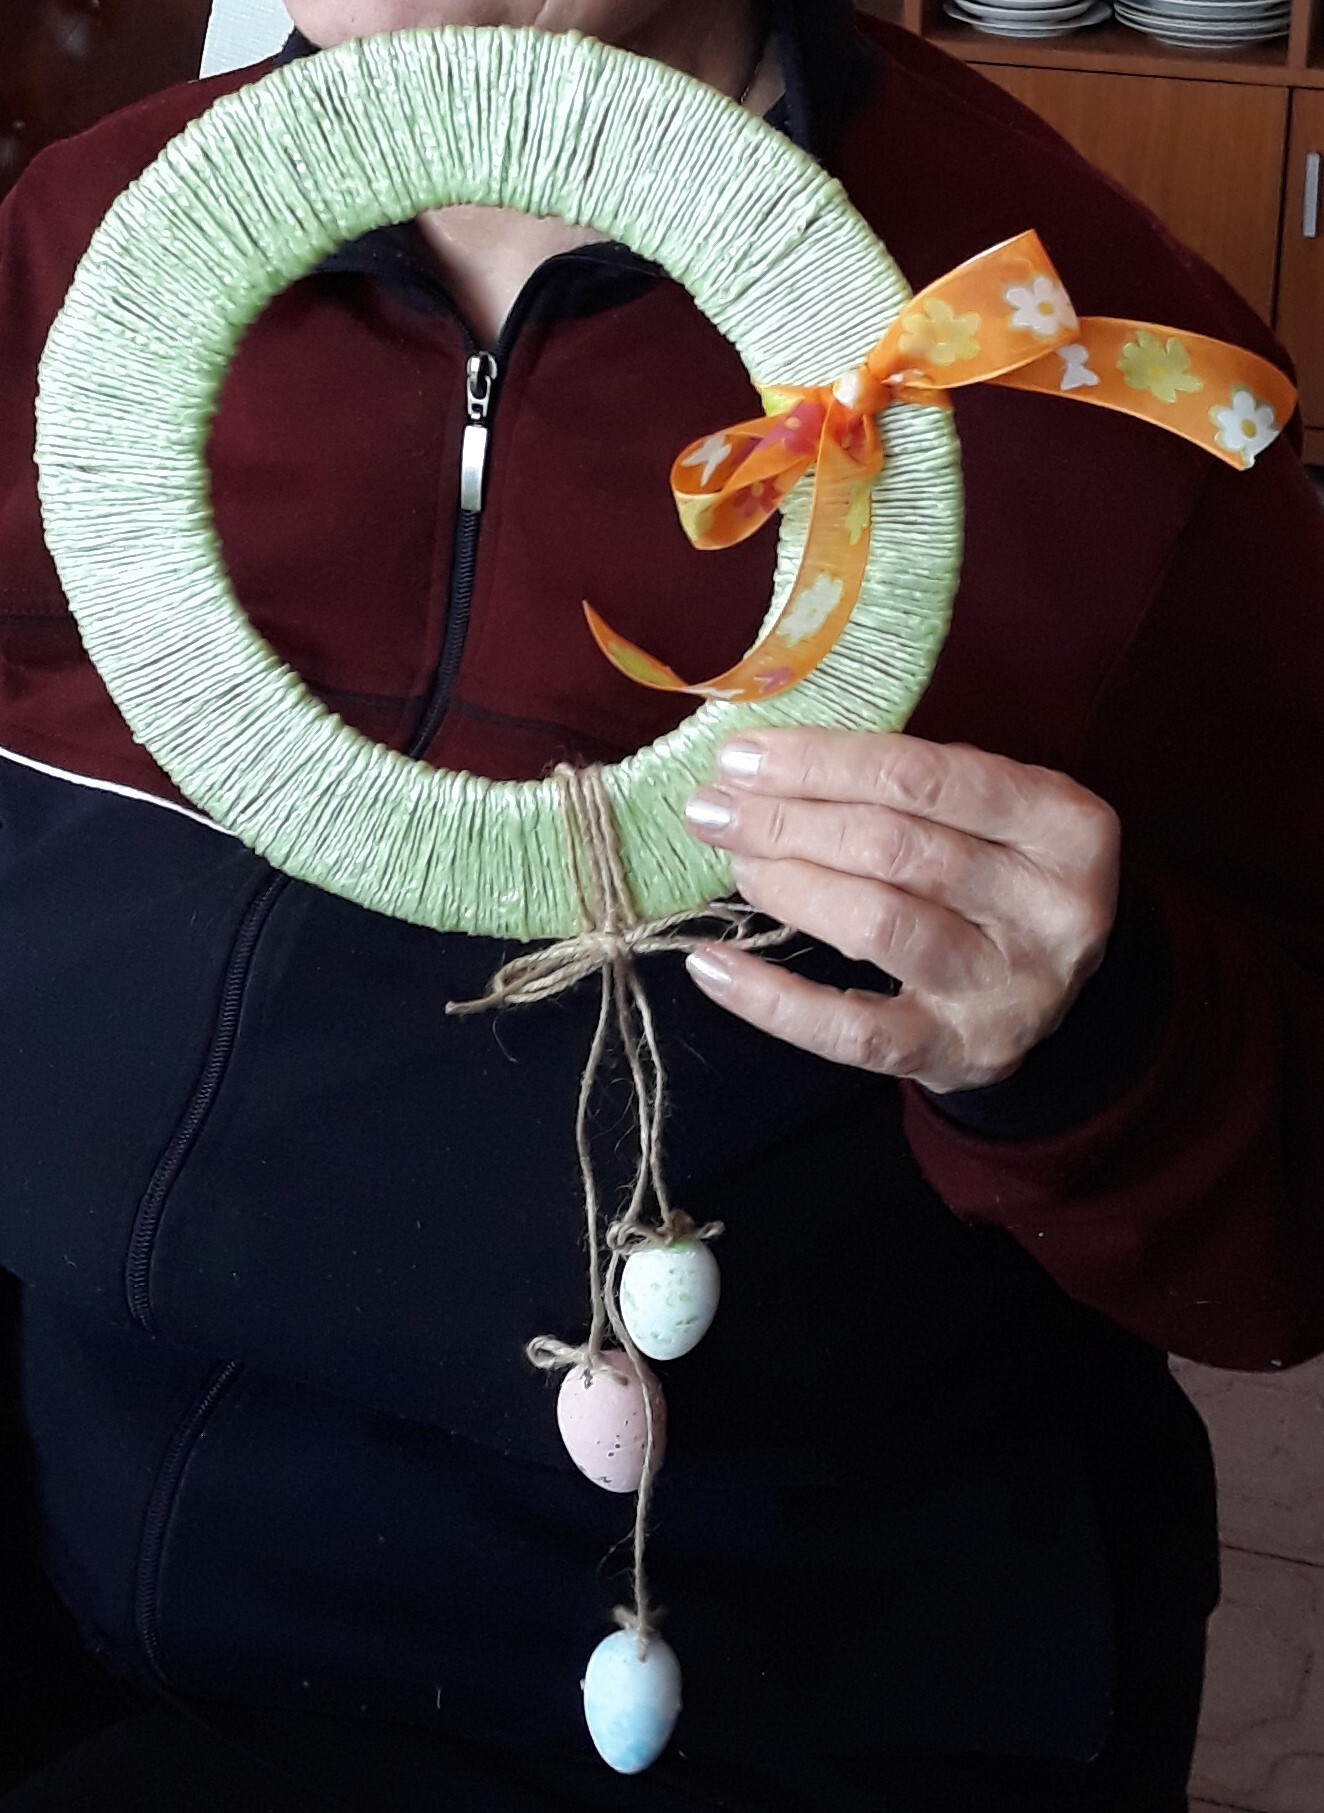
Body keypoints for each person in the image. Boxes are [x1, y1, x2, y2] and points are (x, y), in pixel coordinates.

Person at [0, 2, 1320, 1808]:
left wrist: (1101, 1045)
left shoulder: (1078, 358)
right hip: (106, 1630)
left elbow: (1291, 1229)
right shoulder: (79, 249)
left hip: (792, 1703)